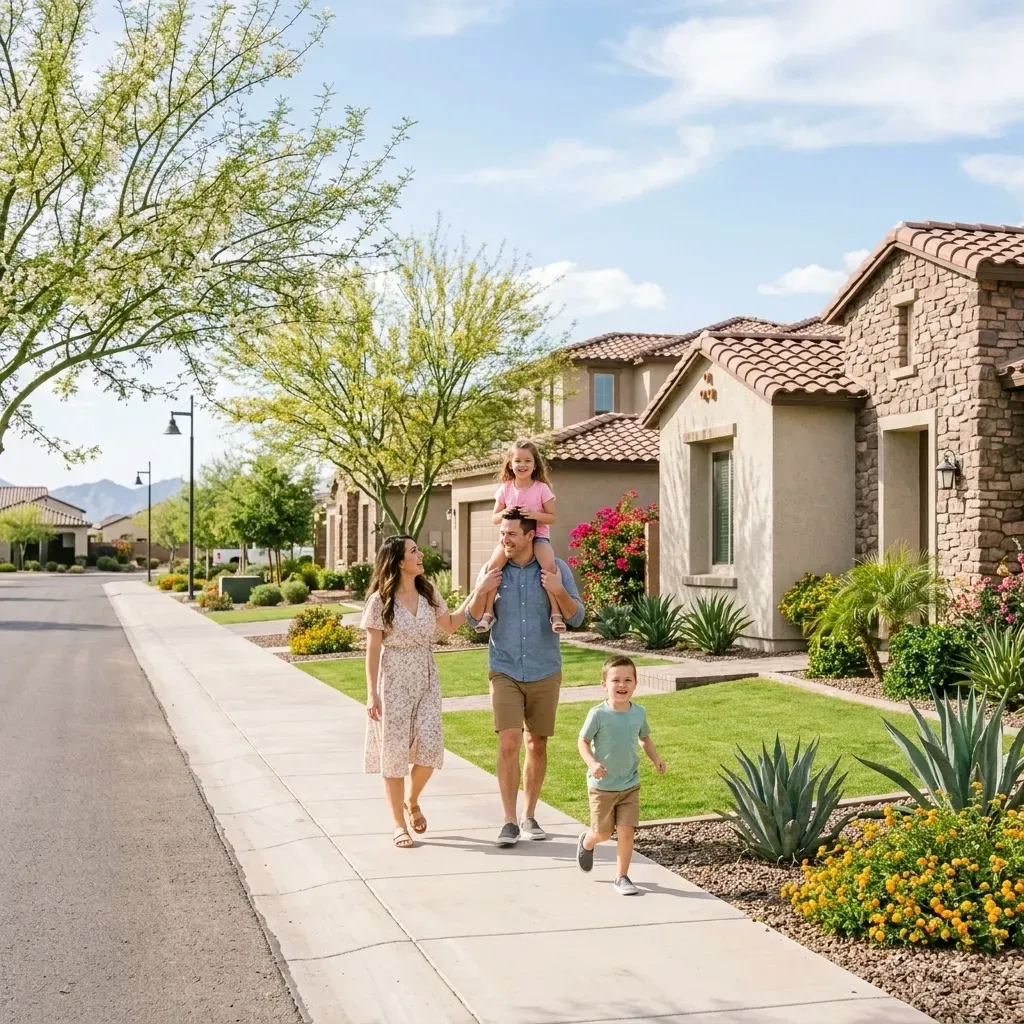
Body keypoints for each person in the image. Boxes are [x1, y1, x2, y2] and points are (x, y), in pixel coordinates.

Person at [467, 508, 585, 846]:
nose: (504, 539)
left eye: (511, 534)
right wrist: (481, 590)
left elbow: (577, 618)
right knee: (509, 742)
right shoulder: (492, 570)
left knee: (537, 743)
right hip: (503, 667)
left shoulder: (555, 568)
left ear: (530, 535)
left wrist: (559, 591)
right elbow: (476, 622)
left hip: (545, 667)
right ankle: (508, 821)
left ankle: (529, 815)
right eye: (502, 533)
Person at [362, 535, 470, 849]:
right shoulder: (380, 600)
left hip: (425, 676)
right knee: (393, 754)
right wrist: (372, 693)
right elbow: (372, 651)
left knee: (431, 746)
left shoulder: (428, 591)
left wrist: (480, 592)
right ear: (398, 561)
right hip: (393, 680)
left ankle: (412, 798)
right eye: (413, 551)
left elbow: (449, 625)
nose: (420, 554)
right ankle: (398, 824)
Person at [575, 655, 666, 895]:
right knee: (603, 833)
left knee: (626, 831)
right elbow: (582, 742)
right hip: (602, 786)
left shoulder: (639, 712)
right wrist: (592, 763)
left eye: (628, 679)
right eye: (615, 680)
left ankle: (622, 877)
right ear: (604, 684)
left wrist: (655, 759)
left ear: (636, 683)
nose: (622, 685)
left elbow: (644, 738)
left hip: (629, 784)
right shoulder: (598, 714)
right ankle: (588, 841)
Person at [475, 440, 563, 634]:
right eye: (517, 461)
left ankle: (556, 613)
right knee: (492, 567)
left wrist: (534, 514)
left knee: (549, 566)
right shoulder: (505, 488)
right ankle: (489, 612)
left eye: (527, 461)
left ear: (535, 464)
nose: (522, 465)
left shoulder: (541, 488)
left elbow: (552, 517)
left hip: (538, 537)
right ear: (510, 464)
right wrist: (506, 510)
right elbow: (494, 518)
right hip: (510, 541)